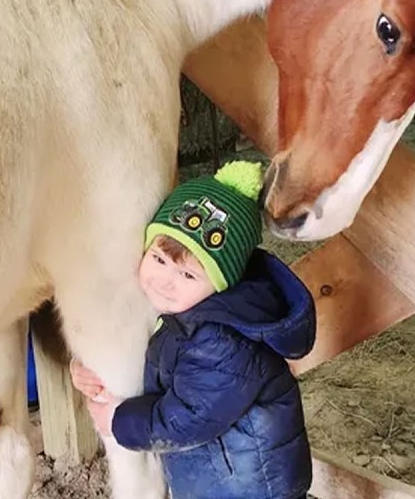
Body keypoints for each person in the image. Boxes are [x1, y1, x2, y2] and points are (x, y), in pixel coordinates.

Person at [71, 160, 317, 499]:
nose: (165, 282)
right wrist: (92, 370)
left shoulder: (222, 341)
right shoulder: (186, 311)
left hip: (251, 487)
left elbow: (190, 418)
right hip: (220, 477)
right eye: (158, 259)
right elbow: (166, 367)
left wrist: (119, 420)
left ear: (222, 283)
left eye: (188, 275)